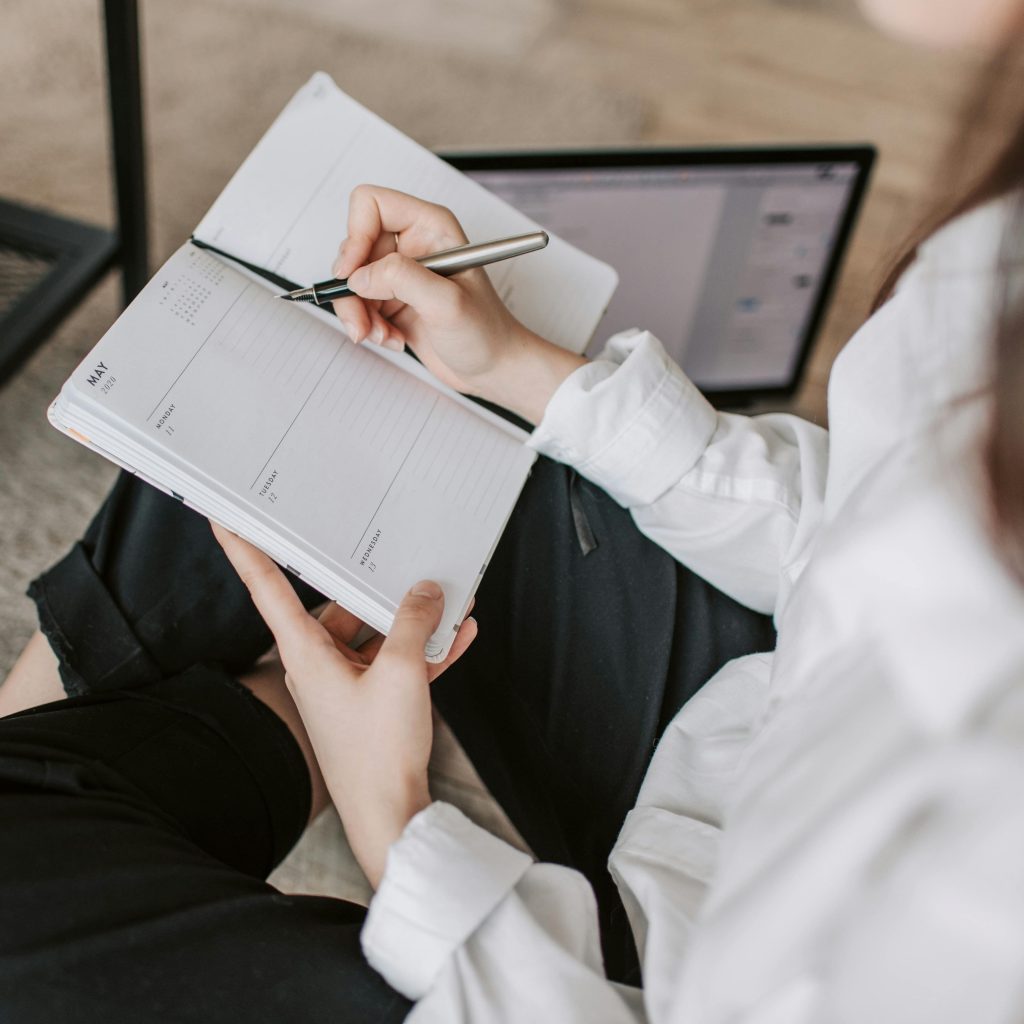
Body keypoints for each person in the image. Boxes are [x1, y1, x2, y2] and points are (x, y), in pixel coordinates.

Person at [3, 0, 1024, 1020]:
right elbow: (852, 523)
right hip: (759, 717)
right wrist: (521, 368)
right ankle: (116, 749)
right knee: (311, 394)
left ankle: (104, 756)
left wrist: (394, 818)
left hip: (663, 966)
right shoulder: (999, 239)